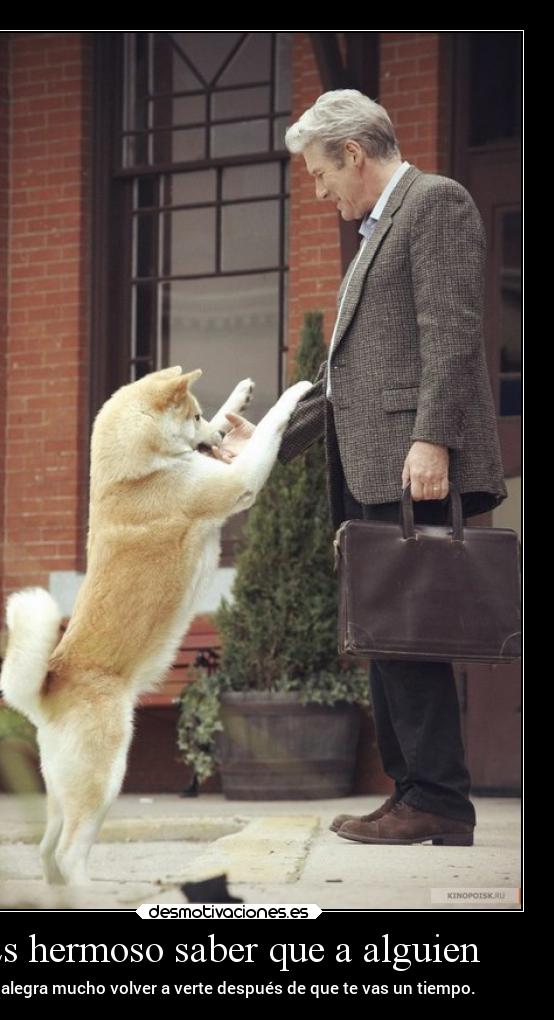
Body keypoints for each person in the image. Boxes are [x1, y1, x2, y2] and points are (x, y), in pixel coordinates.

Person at [212, 89, 507, 846]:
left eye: (319, 174)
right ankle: (416, 792)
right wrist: (268, 440)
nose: (318, 192)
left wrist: (433, 440)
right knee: (386, 634)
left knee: (409, 634)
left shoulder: (435, 204)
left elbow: (454, 332)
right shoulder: (378, 231)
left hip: (411, 461)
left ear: (353, 152)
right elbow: (347, 380)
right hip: (375, 462)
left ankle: (438, 798)